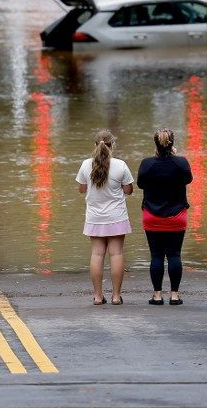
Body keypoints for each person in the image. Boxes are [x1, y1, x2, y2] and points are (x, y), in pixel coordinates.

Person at [76, 130, 134, 305]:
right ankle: (116, 297)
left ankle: (98, 296)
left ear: (95, 145)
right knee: (116, 254)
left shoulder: (86, 165)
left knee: (97, 254)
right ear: (112, 145)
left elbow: (81, 189)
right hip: (116, 216)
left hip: (95, 217)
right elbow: (129, 190)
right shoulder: (120, 165)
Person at [136, 128, 192, 305]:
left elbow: (140, 184)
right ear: (172, 143)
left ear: (156, 144)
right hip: (177, 216)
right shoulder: (181, 163)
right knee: (175, 255)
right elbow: (188, 180)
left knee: (156, 256)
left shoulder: (147, 164)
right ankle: (174, 296)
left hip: (152, 216)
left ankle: (157, 295)